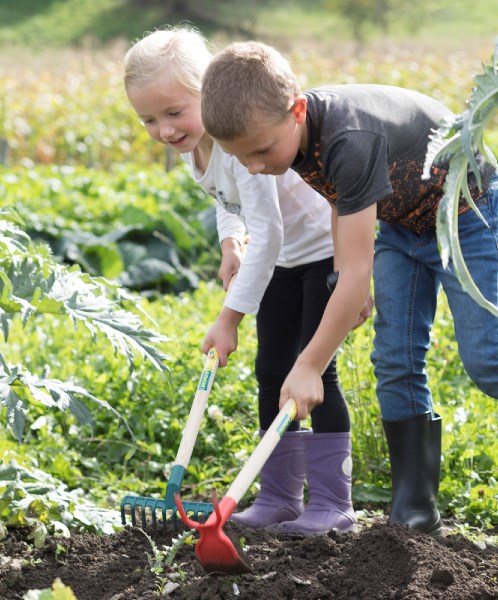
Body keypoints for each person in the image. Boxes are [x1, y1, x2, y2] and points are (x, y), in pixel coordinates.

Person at [200, 40, 498, 543]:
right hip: (400, 225)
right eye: (243, 159)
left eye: (261, 152)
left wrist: (308, 364)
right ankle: (415, 507)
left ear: (298, 109)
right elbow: (340, 202)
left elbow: (353, 265)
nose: (256, 167)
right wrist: (347, 270)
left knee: (487, 358)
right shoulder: (291, 140)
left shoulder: (348, 137)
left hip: (465, 212)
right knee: (395, 361)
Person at [123, 27, 368, 536]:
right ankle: (279, 496)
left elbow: (272, 232)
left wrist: (228, 317)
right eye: (148, 118)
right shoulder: (199, 149)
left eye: (174, 112)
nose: (164, 130)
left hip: (322, 252)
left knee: (315, 374)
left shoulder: (240, 146)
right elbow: (226, 203)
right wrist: (230, 241)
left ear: (208, 98)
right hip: (280, 261)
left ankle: (332, 502)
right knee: (271, 369)